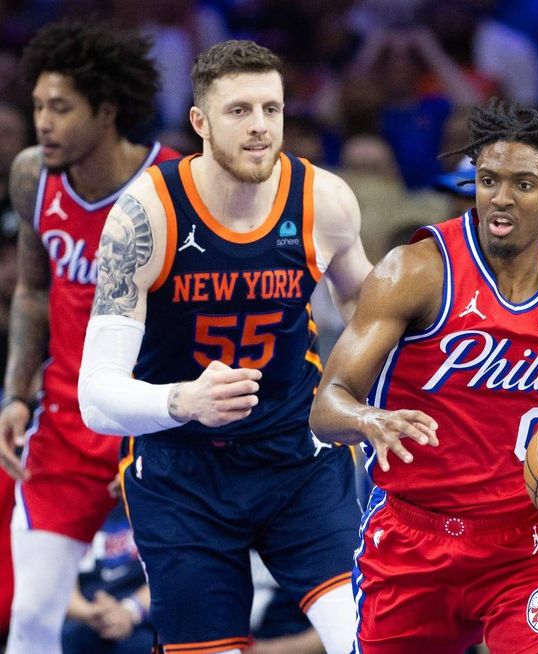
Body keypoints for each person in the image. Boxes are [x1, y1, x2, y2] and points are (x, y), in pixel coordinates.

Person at [309, 97, 538, 653]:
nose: (501, 198)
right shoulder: (416, 270)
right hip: (412, 542)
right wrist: (368, 420)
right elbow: (327, 406)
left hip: (530, 545)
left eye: (523, 184)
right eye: (487, 180)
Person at [76, 40, 372, 654]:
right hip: (181, 470)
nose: (261, 126)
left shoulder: (327, 200)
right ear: (200, 122)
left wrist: (372, 397)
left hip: (297, 457)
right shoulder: (146, 215)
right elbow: (95, 398)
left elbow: (367, 312)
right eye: (240, 111)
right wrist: (184, 400)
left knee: (369, 637)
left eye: (273, 108)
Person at [0, 21, 180, 654]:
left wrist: (162, 427)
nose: (42, 122)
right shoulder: (33, 178)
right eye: (37, 106)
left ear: (106, 112)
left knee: (192, 622)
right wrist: (14, 396)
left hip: (159, 430)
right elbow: (31, 292)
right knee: (30, 619)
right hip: (68, 431)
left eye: (60, 108)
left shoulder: (177, 188)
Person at [62, 502, 154, 654]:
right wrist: (90, 612)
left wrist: (129, 610)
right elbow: (58, 582)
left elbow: (175, 573)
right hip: (87, 616)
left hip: (142, 614)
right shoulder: (70, 504)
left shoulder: (153, 498)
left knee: (144, 644)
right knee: (63, 637)